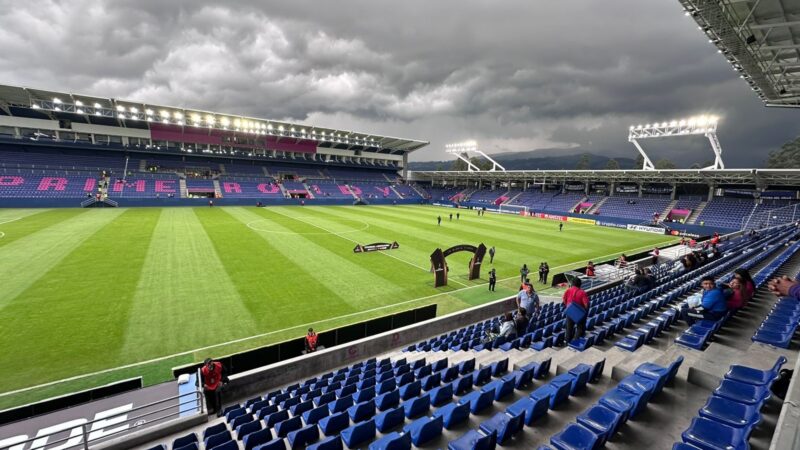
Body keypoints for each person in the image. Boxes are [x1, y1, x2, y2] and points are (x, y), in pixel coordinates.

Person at [563, 278, 589, 343]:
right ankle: (576, 343)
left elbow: (564, 300)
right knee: (580, 329)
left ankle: (567, 343)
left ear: (572, 283)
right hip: (579, 313)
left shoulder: (568, 290)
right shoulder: (582, 292)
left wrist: (568, 306)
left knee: (569, 329)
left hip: (570, 312)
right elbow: (586, 304)